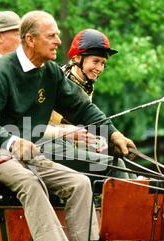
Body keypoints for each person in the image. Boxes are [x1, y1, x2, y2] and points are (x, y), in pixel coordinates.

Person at [0, 10, 136, 241]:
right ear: (31, 40)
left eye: (57, 35)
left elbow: (82, 108)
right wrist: (11, 140)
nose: (59, 41)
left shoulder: (51, 73)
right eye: (52, 35)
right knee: (31, 183)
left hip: (32, 152)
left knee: (80, 183)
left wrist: (113, 133)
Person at [44, 29, 131, 181]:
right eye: (95, 61)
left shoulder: (86, 84)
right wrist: (78, 134)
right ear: (77, 58)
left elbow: (84, 119)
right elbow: (43, 124)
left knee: (122, 164)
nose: (99, 68)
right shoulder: (61, 81)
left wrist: (101, 138)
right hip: (47, 146)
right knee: (115, 167)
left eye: (103, 63)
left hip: (68, 146)